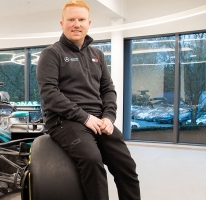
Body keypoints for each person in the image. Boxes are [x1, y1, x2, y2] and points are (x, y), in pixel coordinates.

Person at [36, 0, 141, 199]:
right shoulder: (51, 54)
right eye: (71, 19)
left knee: (126, 163)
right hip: (64, 120)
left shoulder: (97, 55)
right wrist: (83, 117)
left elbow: (108, 89)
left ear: (89, 23)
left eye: (81, 19)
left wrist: (109, 117)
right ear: (62, 23)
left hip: (99, 119)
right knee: (92, 160)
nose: (76, 24)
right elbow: (49, 93)